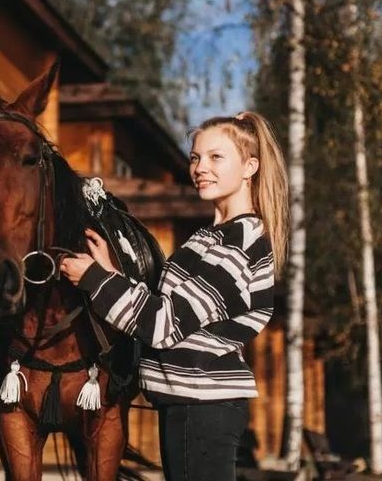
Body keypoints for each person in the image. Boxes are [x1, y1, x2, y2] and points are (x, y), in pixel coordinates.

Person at [59, 111, 289, 481]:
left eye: (216, 157)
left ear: (250, 167)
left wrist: (95, 279)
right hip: (188, 403)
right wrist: (114, 274)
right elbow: (170, 308)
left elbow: (164, 324)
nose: (200, 167)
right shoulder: (209, 238)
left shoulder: (238, 244)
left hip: (203, 406)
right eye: (196, 157)